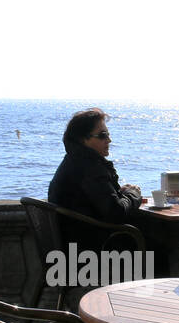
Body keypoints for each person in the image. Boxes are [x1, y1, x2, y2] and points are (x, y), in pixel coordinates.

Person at [47, 108, 143, 252]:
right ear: (83, 139)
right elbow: (115, 213)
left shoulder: (73, 161)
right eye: (102, 135)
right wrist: (133, 194)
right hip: (93, 250)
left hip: (72, 247)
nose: (109, 140)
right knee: (160, 247)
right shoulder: (89, 166)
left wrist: (117, 192)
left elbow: (95, 200)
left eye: (108, 135)